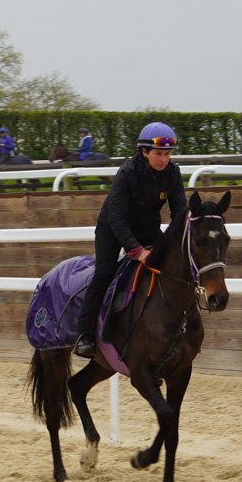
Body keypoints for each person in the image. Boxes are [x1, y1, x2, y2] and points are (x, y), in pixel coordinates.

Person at [73, 122, 188, 358]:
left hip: (148, 228)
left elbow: (180, 213)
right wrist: (137, 251)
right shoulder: (126, 173)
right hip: (112, 229)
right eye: (158, 154)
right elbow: (117, 219)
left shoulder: (172, 172)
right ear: (144, 152)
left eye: (167, 154)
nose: (164, 159)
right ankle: (84, 335)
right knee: (104, 273)